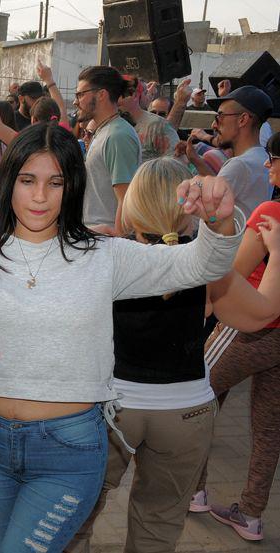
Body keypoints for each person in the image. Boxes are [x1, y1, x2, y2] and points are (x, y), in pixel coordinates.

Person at [0, 118, 244, 553]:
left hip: (69, 451)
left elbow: (202, 266)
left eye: (55, 182)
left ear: (72, 186)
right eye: (27, 180)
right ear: (8, 182)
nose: (40, 196)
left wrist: (218, 222)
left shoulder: (104, 256)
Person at [67, 157, 280, 553]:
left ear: (133, 203)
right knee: (159, 526)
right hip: (186, 413)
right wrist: (278, 249)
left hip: (111, 410)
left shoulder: (106, 255)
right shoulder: (207, 267)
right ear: (188, 209)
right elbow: (263, 313)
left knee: (76, 516)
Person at [191, 131, 280, 542]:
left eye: (274, 159)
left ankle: (192, 491)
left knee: (196, 396)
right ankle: (251, 514)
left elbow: (233, 274)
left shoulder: (270, 213)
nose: (268, 165)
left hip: (247, 328)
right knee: (267, 427)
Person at [180, 86, 272, 218]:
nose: (214, 125)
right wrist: (196, 160)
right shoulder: (263, 157)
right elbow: (221, 186)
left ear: (242, 120)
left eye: (220, 117)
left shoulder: (240, 165)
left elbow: (202, 208)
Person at [74, 65, 141, 235]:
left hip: (106, 240)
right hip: (96, 235)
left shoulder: (117, 135)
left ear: (101, 94)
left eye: (81, 94)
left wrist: (116, 241)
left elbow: (125, 198)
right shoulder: (105, 131)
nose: (76, 101)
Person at [120, 76, 180, 161]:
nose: (113, 99)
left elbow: (174, 162)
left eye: (118, 94)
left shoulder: (157, 125)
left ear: (134, 95)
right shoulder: (111, 122)